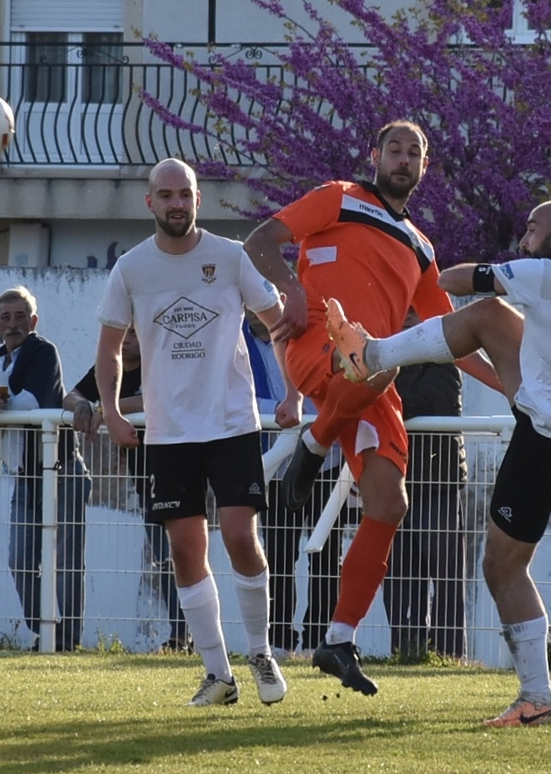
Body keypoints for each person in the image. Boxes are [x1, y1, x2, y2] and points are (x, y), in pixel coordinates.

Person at [327, 198, 551, 725]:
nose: (524, 239)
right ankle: (372, 354)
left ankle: (537, 698)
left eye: (531, 229)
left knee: (502, 567)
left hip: (547, 440)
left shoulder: (545, 274)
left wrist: (424, 262)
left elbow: (453, 278)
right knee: (489, 318)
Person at [242, 119, 500, 695]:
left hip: (372, 376)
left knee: (389, 503)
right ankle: (314, 442)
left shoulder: (422, 247)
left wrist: (512, 386)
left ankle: (337, 639)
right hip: (320, 349)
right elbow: (260, 242)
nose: (404, 159)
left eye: (415, 153)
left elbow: (448, 335)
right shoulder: (338, 197)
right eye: (395, 149)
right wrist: (296, 287)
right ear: (375, 155)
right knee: (376, 358)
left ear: (424, 167)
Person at [95, 158, 293, 707]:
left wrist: (295, 390)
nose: (176, 203)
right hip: (169, 431)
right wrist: (111, 410)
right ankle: (217, 674)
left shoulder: (229, 257)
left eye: (185, 193)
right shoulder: (131, 269)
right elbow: (110, 348)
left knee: (237, 537)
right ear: (150, 202)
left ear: (198, 201)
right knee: (184, 549)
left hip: (231, 423)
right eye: (166, 194)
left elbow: (278, 322)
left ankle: (260, 652)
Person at [0, 286, 91, 652]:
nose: (12, 324)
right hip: (25, 476)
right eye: (5, 317)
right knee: (20, 558)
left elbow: (31, 401)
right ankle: (46, 629)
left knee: (67, 561)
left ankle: (68, 639)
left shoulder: (44, 351)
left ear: (34, 320)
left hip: (62, 472)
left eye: (19, 316)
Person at [63, 326, 190, 653]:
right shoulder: (110, 367)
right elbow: (71, 394)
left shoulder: (158, 361)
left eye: (135, 332)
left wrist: (108, 408)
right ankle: (180, 634)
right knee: (163, 553)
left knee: (178, 552)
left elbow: (154, 397)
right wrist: (83, 406)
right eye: (125, 332)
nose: (129, 338)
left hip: (177, 467)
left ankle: (185, 634)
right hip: (143, 475)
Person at [243, 312, 344, 657]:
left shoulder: (311, 332)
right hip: (273, 464)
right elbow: (239, 399)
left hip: (325, 460)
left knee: (326, 557)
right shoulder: (233, 341)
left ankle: (319, 640)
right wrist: (287, 414)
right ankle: (280, 641)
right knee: (278, 556)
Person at [383, 310, 468, 659]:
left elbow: (434, 403)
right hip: (398, 482)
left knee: (445, 577)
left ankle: (448, 655)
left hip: (438, 484)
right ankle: (406, 651)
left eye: (411, 315)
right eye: (400, 314)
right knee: (399, 577)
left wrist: (385, 404)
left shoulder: (442, 360)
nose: (403, 321)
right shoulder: (387, 361)